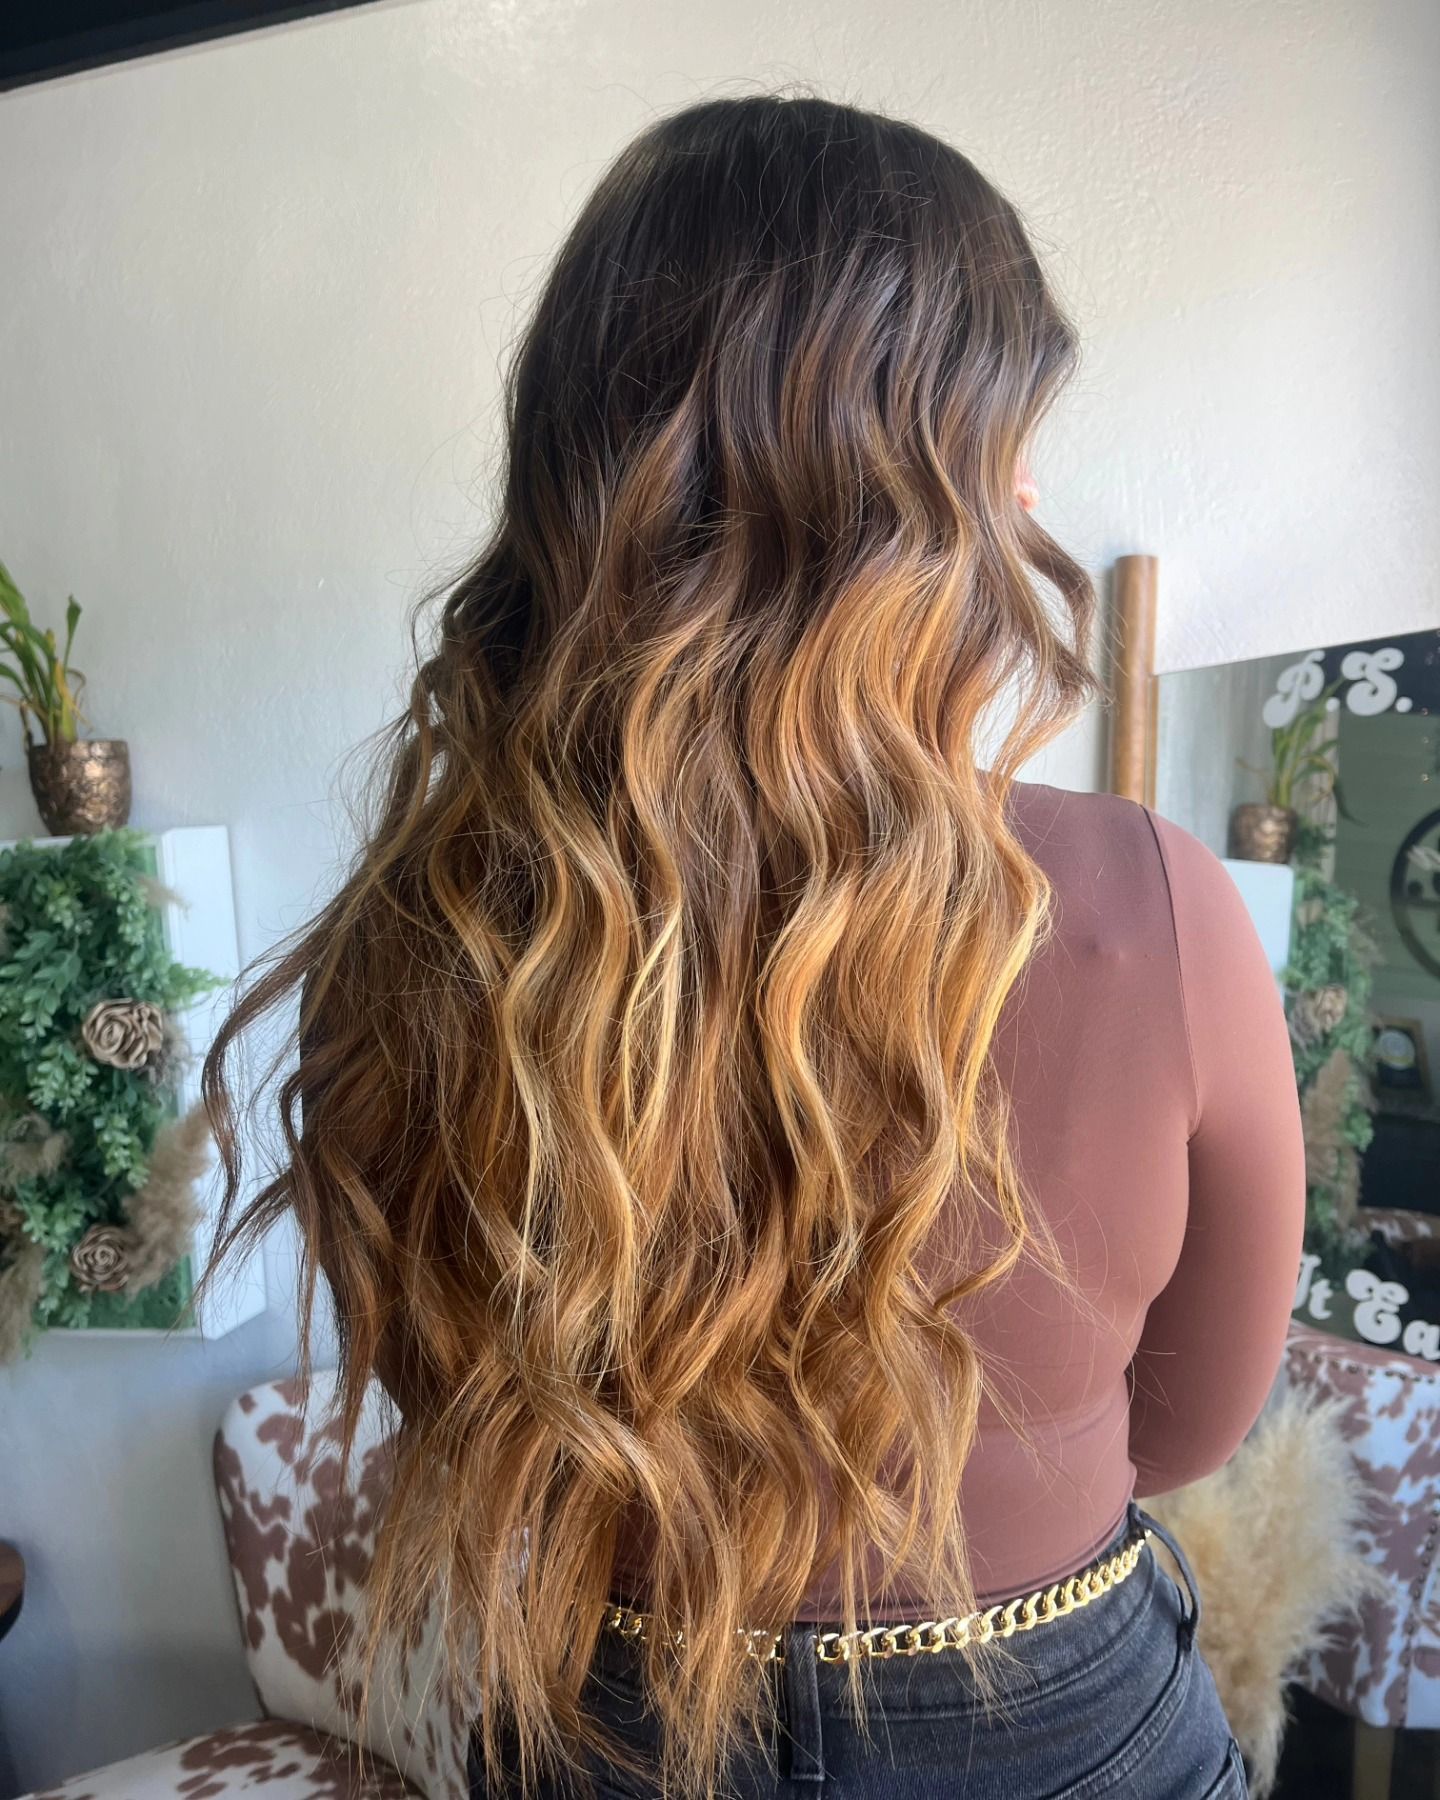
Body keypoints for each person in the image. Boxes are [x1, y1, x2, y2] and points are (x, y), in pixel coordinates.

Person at [205, 92, 1305, 1800]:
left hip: (600, 1730)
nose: (1033, 487)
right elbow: (1191, 1430)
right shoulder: (1147, 901)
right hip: (1062, 1728)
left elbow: (459, 1411)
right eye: (1006, 435)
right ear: (919, 489)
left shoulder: (419, 938)